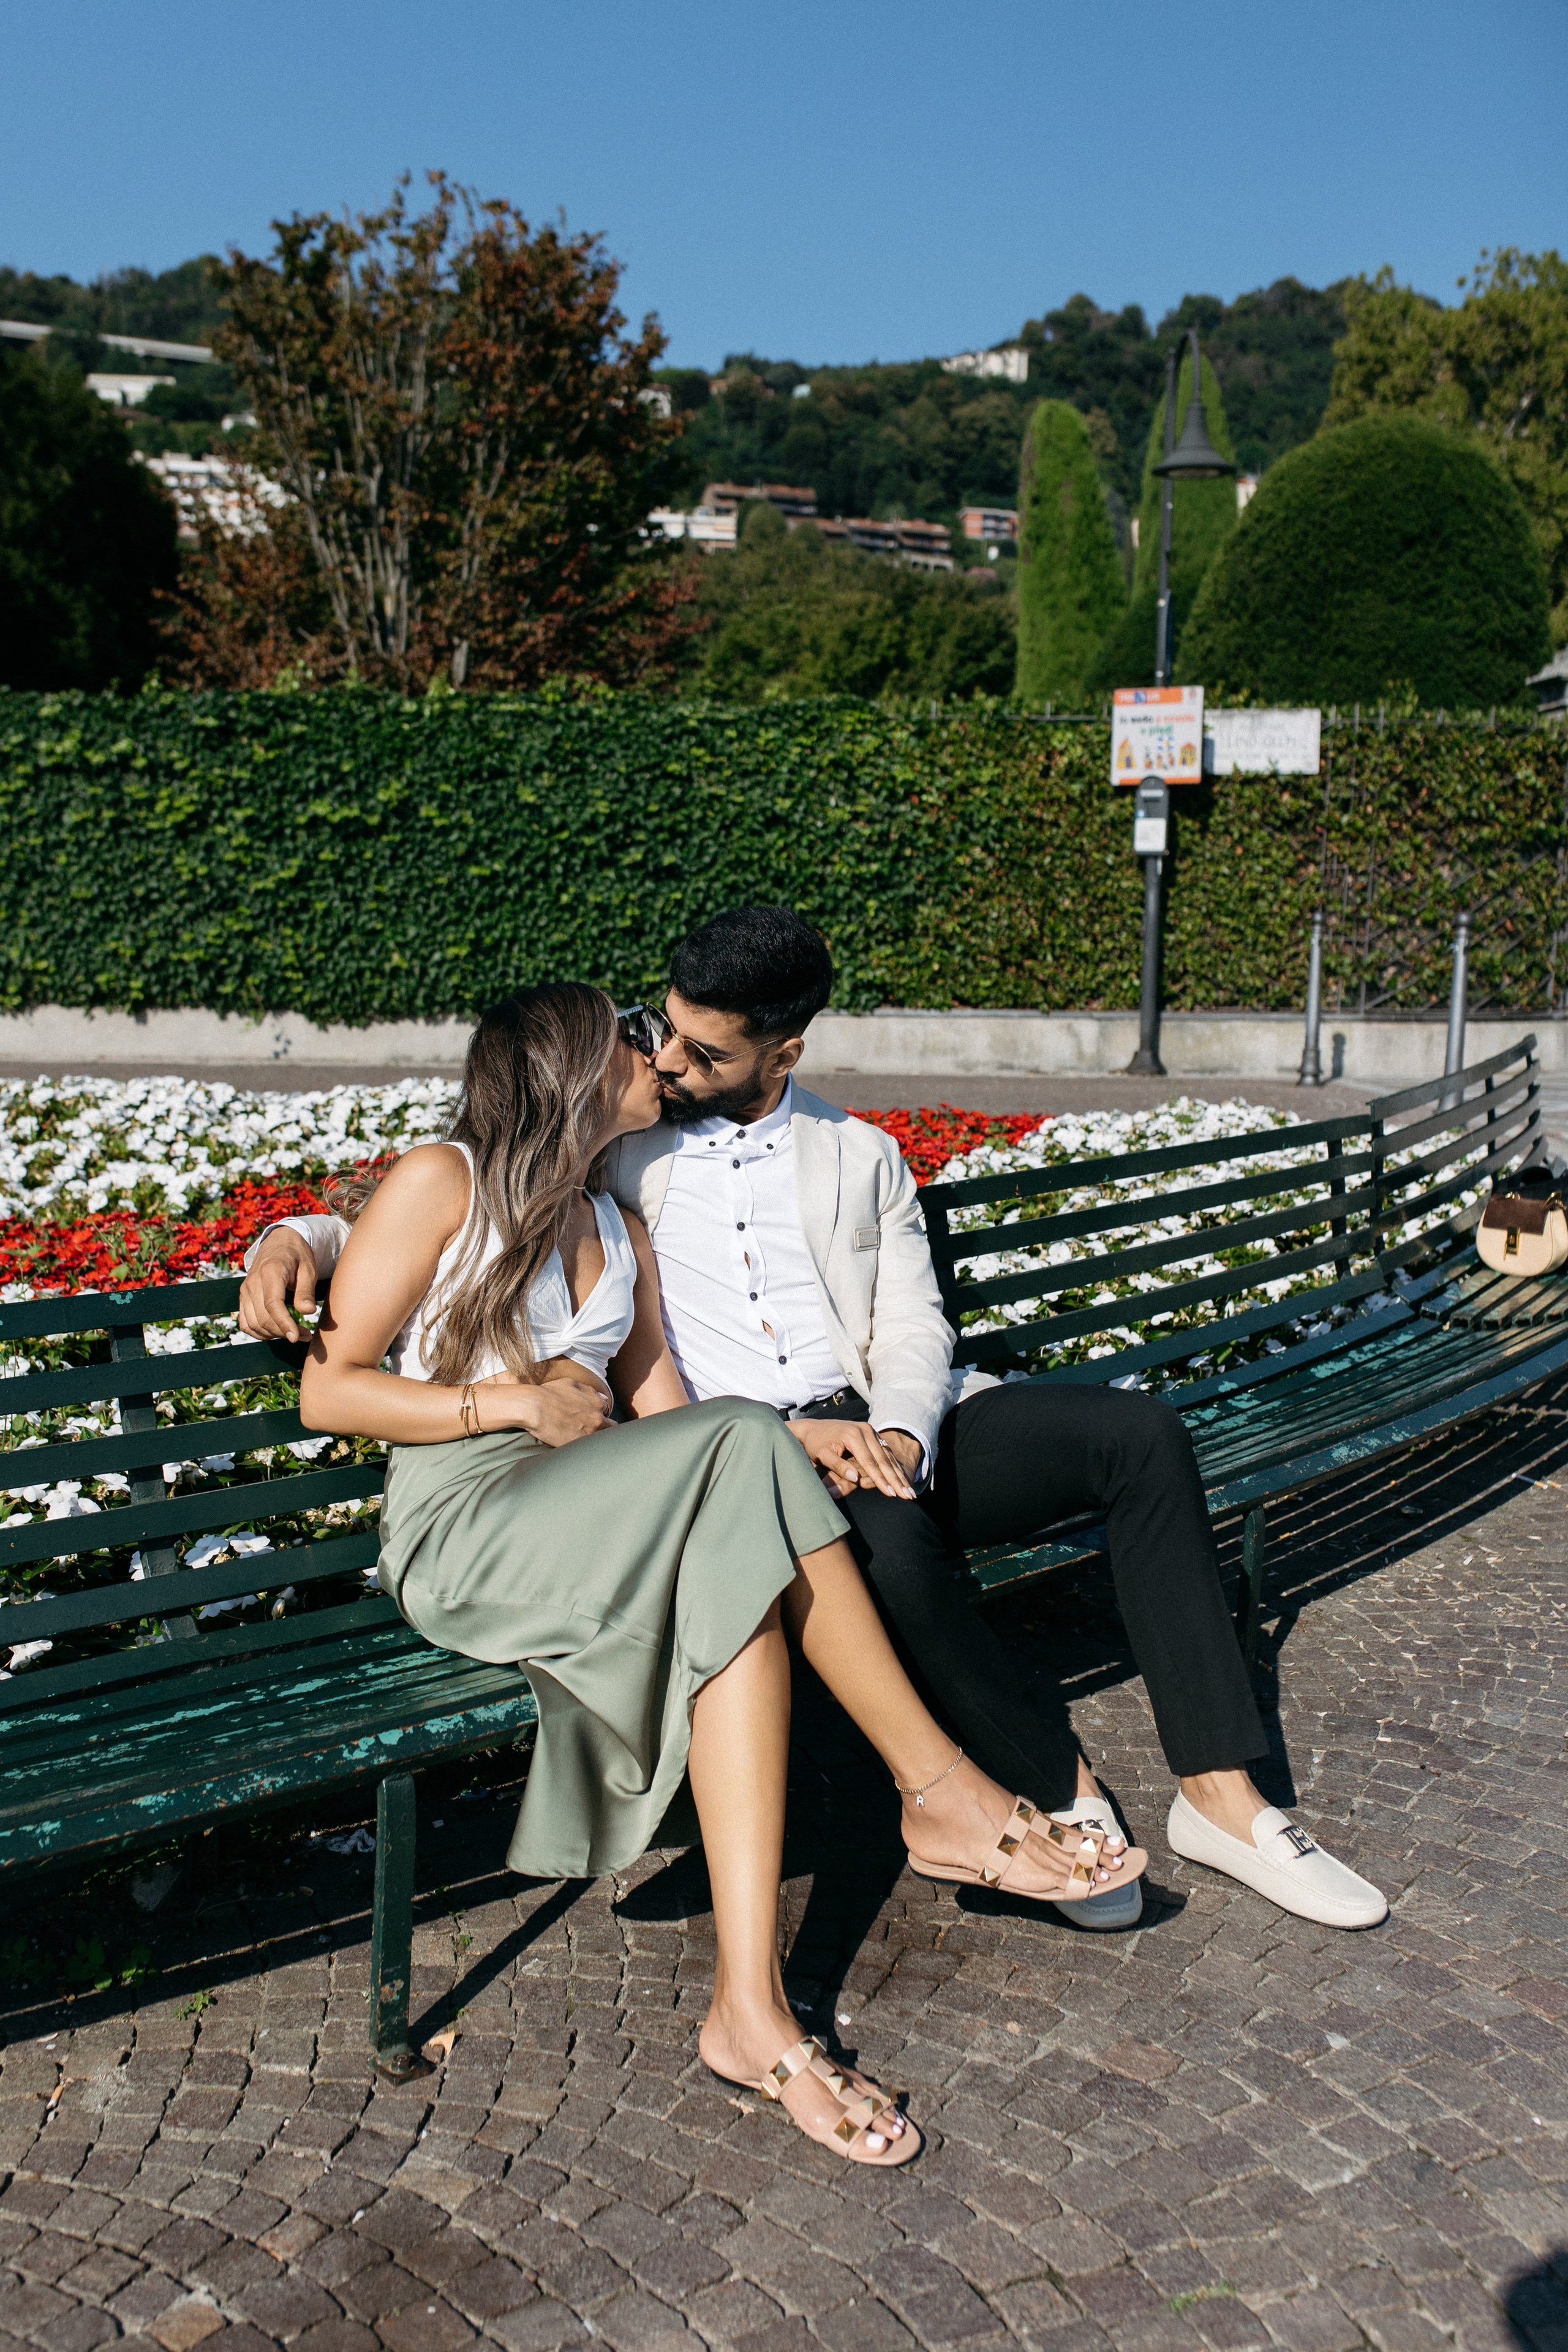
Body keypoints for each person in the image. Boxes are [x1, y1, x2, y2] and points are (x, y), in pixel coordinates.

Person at [243, 916, 1387, 1934]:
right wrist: (298, 1237)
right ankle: (1035, 1783)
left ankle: (1224, 1801)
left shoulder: (854, 1155)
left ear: (782, 1053)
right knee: (874, 1543)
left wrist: (896, 1435)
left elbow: (909, 1327)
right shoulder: (630, 1154)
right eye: (660, 1038)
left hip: (857, 1429)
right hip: (718, 1454)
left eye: (703, 1051)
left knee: (1139, 1437)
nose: (669, 1062)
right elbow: (467, 1185)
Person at [289, 981, 1150, 2172]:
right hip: (467, 1515)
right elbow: (326, 1389)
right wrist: (506, 1400)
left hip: (590, 1502)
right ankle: (939, 1787)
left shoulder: (613, 1224)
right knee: (740, 1490)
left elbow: (676, 1422)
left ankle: (747, 2012)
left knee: (738, 1598)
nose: (657, 1057)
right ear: (575, 1070)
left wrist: (809, 1436)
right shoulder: (447, 1183)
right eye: (633, 1040)